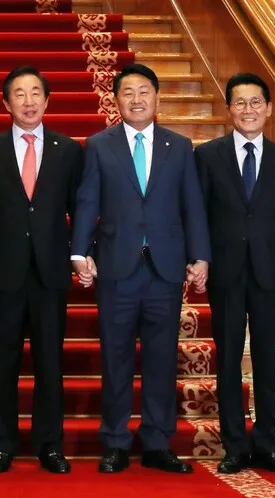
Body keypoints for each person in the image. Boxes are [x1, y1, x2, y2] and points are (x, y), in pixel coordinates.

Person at [70, 63, 211, 474]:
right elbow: (87, 202)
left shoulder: (180, 146)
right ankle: (114, 441)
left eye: (144, 91)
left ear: (157, 97)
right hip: (116, 267)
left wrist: (199, 255)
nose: (136, 99)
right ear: (116, 100)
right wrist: (79, 251)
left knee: (162, 358)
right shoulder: (98, 144)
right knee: (115, 359)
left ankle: (156, 441)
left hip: (165, 270)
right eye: (128, 92)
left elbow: (193, 206)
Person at [0, 66, 82, 474]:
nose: (29, 100)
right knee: (3, 362)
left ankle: (49, 444)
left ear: (48, 100)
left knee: (50, 363)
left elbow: (81, 210)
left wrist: (81, 253)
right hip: (4, 273)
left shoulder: (68, 150)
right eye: (19, 94)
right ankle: (2, 443)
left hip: (51, 273)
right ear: (6, 103)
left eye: (36, 93)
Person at [194, 73, 275, 475]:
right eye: (240, 103)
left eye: (256, 102)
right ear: (228, 110)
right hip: (225, 273)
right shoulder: (207, 156)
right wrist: (200, 258)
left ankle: (269, 445)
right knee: (226, 361)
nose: (248, 110)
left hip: (271, 275)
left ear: (269, 109)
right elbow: (199, 216)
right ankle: (234, 446)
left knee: (265, 360)